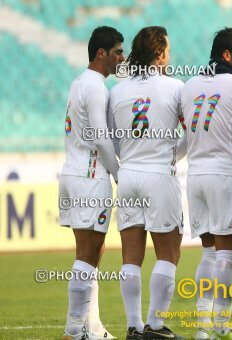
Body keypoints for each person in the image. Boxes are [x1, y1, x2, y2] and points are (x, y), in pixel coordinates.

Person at [110, 26, 184, 340]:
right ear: (159, 53)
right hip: (158, 174)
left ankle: (133, 326)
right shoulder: (176, 87)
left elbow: (111, 139)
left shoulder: (117, 90)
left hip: (128, 175)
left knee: (130, 256)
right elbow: (192, 135)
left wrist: (125, 161)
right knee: (168, 253)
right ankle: (155, 326)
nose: (170, 54)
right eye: (167, 49)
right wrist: (172, 154)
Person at [180, 27, 232, 340]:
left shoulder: (189, 85)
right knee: (228, 254)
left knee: (208, 253)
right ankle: (222, 325)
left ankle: (203, 327)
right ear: (227, 55)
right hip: (225, 174)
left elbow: (183, 133)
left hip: (194, 174)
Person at [59, 26, 124, 340]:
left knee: (90, 255)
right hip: (89, 177)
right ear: (102, 53)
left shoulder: (79, 82)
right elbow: (101, 136)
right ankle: (74, 329)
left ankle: (92, 327)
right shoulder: (97, 87)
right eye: (118, 52)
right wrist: (118, 173)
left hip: (72, 174)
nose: (122, 58)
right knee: (88, 254)